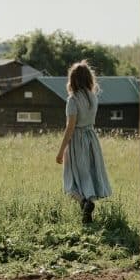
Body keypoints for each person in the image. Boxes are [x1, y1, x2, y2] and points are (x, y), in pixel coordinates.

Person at [56, 60, 112, 224]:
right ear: (89, 78)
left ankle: (84, 202)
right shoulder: (92, 97)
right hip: (91, 139)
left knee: (70, 180)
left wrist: (60, 152)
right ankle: (87, 208)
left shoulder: (72, 100)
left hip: (77, 141)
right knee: (88, 174)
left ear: (72, 80)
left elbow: (70, 127)